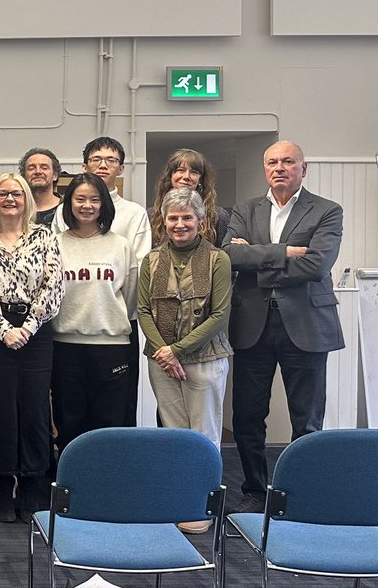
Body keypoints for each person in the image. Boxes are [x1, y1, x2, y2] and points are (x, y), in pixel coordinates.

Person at [223, 140, 343, 514]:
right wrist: (287, 251)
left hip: (306, 323)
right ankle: (255, 492)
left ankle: (301, 493)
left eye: (288, 161)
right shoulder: (244, 210)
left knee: (306, 418)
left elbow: (317, 266)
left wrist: (256, 256)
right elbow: (230, 255)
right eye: (272, 162)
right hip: (252, 325)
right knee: (247, 415)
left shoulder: (326, 210)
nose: (280, 167)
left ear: (303, 169)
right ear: (264, 169)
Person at [0, 172, 64, 523]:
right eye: (3, 194)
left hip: (36, 333)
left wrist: (27, 327)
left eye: (17, 194)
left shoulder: (45, 237)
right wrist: (5, 329)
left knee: (36, 409)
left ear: (27, 200)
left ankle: (33, 484)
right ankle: (4, 485)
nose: (10, 199)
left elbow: (54, 286)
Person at [138, 188, 232, 534]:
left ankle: (200, 506)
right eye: (173, 218)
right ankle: (177, 500)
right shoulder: (151, 261)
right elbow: (144, 310)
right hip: (162, 362)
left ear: (201, 220)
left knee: (204, 435)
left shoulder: (218, 259)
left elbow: (220, 315)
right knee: (175, 435)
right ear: (164, 221)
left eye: (187, 217)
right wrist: (164, 352)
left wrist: (177, 351)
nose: (180, 224)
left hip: (205, 359)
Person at [52, 136, 151, 428]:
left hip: (111, 345)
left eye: (94, 200)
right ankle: (72, 475)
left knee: (110, 422)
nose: (87, 206)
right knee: (69, 420)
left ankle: (111, 476)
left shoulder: (119, 245)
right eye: (80, 199)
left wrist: (110, 315)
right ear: (69, 204)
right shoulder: (53, 243)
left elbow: (131, 295)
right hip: (64, 344)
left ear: (104, 204)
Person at [149, 148, 230, 246]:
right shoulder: (151, 215)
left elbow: (223, 253)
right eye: (180, 170)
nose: (186, 176)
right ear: (170, 176)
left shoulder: (218, 217)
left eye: (194, 172)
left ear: (200, 179)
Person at [19, 147, 62, 227]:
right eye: (31, 168)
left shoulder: (68, 207)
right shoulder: (15, 209)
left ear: (55, 175)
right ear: (24, 176)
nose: (38, 171)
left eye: (44, 168)